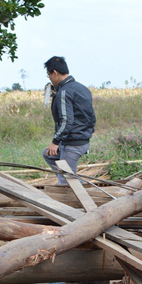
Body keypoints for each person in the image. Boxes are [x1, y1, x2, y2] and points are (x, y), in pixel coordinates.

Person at [43, 56, 96, 186]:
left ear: (54, 73)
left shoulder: (64, 92)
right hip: (83, 140)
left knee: (67, 182)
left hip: (73, 143)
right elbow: (90, 117)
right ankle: (75, 182)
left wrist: (55, 141)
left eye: (48, 75)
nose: (49, 79)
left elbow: (66, 121)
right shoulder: (82, 88)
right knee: (48, 154)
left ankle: (72, 196)